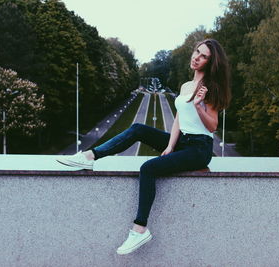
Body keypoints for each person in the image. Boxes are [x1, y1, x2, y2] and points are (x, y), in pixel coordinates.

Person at [56, 38, 231, 255]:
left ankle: (140, 229)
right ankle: (90, 156)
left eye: (204, 56)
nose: (197, 57)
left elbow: (212, 126)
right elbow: (178, 118)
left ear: (211, 62)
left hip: (199, 149)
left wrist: (198, 106)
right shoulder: (186, 85)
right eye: (197, 51)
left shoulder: (210, 87)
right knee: (138, 128)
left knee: (148, 168)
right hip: (183, 142)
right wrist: (169, 145)